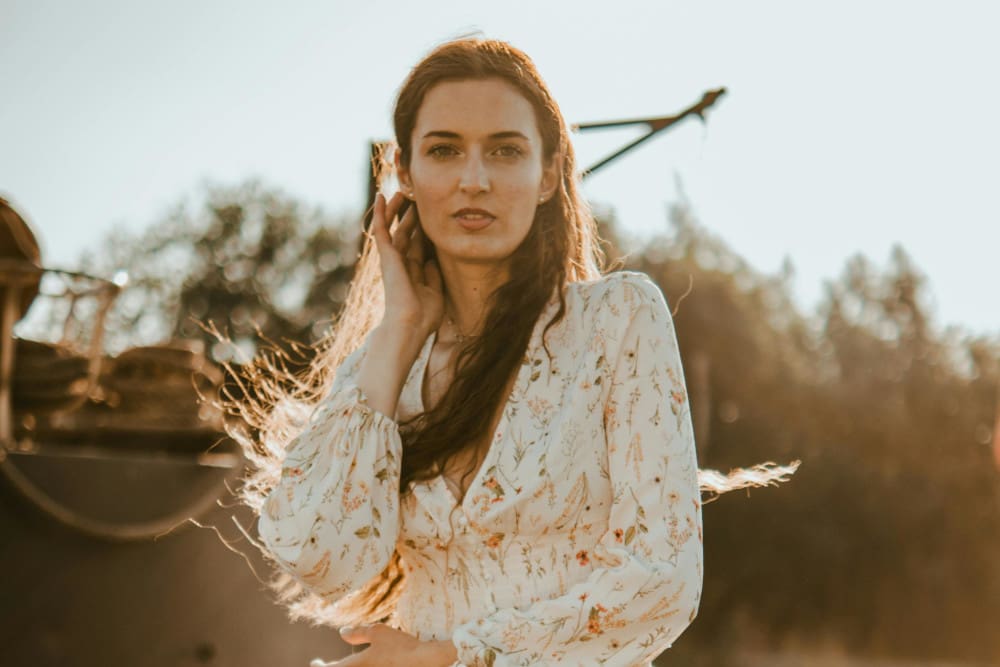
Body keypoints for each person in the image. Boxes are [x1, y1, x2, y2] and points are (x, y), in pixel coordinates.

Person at [229, 37, 797, 667]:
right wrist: (398, 329)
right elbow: (318, 556)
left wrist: (451, 657)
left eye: (505, 150)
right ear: (406, 175)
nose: (475, 179)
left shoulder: (616, 320)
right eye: (445, 150)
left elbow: (662, 580)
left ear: (550, 173)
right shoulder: (384, 367)